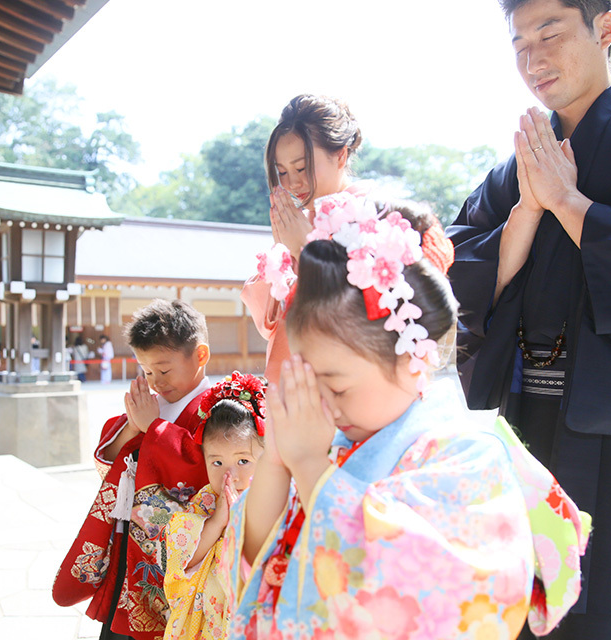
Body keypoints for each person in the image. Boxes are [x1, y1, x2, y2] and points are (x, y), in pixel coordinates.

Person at [446, 0, 611, 637]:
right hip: (528, 429)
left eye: (550, 33)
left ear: (606, 26)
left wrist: (569, 202)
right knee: (528, 611)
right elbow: (453, 276)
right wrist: (528, 210)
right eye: (519, 43)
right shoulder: (517, 168)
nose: (533, 59)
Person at [222, 194, 589, 638]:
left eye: (336, 386)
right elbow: (257, 562)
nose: (321, 404)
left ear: (412, 360)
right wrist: (279, 462)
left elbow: (436, 596)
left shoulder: (467, 458)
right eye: (306, 382)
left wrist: (313, 469)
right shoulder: (328, 443)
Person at [53, 299, 213, 639]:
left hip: (179, 553)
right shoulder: (151, 406)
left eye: (164, 371)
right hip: (132, 547)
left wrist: (154, 428)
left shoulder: (217, 407)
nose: (156, 382)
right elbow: (111, 462)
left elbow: (203, 471)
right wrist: (133, 426)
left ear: (200, 355)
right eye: (147, 372)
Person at [241, 95, 372, 384]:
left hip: (343, 386)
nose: (292, 183)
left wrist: (306, 250)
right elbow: (271, 324)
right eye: (282, 172)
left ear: (340, 156)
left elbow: (366, 315)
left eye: (301, 168)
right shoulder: (301, 221)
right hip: (291, 380)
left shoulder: (373, 217)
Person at [163, 371, 266, 640]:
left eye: (243, 461)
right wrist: (217, 521)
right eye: (217, 462)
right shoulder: (207, 501)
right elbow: (183, 561)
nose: (229, 475)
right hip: (211, 623)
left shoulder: (273, 497)